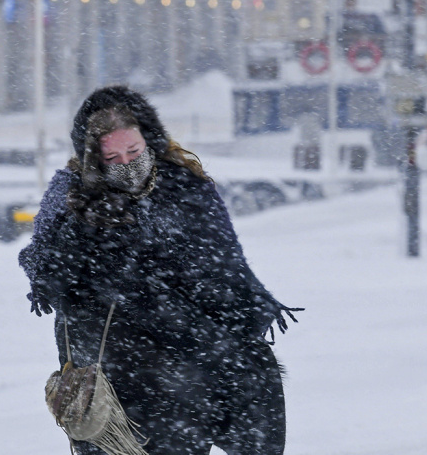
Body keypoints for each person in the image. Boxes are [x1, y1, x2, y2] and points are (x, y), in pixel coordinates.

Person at [19, 85, 302, 455]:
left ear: (150, 140)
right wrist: (85, 228)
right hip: (109, 381)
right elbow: (49, 279)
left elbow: (224, 275)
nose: (127, 164)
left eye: (134, 151)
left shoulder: (187, 190)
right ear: (92, 158)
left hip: (184, 377)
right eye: (112, 156)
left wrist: (232, 339)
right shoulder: (69, 197)